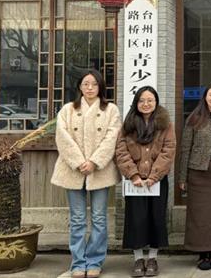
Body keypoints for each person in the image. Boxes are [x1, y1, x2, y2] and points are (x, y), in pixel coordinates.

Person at [51, 69, 122, 278]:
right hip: (73, 170)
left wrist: (94, 162)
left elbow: (112, 138)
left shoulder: (111, 110)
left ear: (101, 87)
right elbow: (62, 137)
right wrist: (79, 162)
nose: (90, 88)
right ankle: (78, 263)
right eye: (85, 84)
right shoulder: (68, 109)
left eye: (94, 84)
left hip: (100, 170)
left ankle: (95, 261)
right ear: (80, 87)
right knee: (77, 219)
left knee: (99, 218)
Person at [115, 86, 176, 277]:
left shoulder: (165, 124)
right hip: (134, 182)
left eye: (150, 100)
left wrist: (154, 176)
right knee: (136, 219)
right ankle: (138, 259)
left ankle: (152, 259)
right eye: (142, 100)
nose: (146, 104)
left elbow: (168, 151)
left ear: (156, 102)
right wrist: (133, 175)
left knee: (156, 218)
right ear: (136, 103)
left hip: (157, 180)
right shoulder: (128, 124)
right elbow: (121, 151)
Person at [178, 84, 211, 271]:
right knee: (199, 215)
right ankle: (202, 254)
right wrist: (182, 177)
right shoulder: (194, 118)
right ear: (205, 97)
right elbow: (185, 149)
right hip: (198, 174)